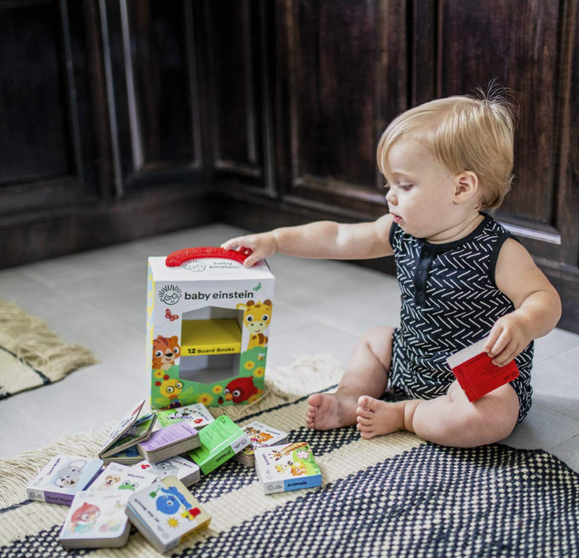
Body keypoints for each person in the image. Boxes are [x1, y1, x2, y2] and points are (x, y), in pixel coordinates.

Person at [221, 89, 561, 448]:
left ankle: (406, 414)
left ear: (461, 187)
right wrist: (276, 240)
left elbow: (546, 300)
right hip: (410, 360)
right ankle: (350, 398)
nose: (390, 195)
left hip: (476, 383)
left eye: (405, 184)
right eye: (389, 183)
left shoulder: (498, 250)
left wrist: (523, 322)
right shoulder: (400, 230)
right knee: (374, 340)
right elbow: (337, 237)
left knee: (492, 417)